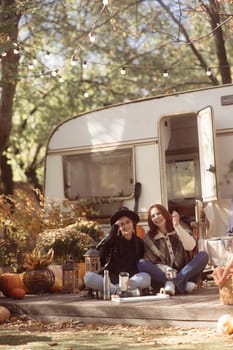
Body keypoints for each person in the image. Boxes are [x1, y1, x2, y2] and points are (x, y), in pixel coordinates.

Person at [137, 203, 209, 295]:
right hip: (164, 274)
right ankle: (180, 284)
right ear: (151, 220)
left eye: (159, 213)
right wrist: (167, 269)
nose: (156, 217)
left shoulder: (179, 227)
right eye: (153, 216)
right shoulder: (149, 237)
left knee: (203, 255)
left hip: (184, 271)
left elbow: (190, 246)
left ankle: (175, 283)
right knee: (141, 263)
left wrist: (177, 226)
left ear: (165, 214)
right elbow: (154, 262)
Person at [84, 207, 151, 295]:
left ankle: (119, 290)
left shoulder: (139, 243)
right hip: (110, 280)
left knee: (146, 277)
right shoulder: (112, 240)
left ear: (133, 223)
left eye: (128, 222)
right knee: (88, 277)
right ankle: (119, 291)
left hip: (129, 280)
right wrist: (114, 229)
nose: (126, 226)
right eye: (122, 224)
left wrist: (130, 281)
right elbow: (101, 256)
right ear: (119, 227)